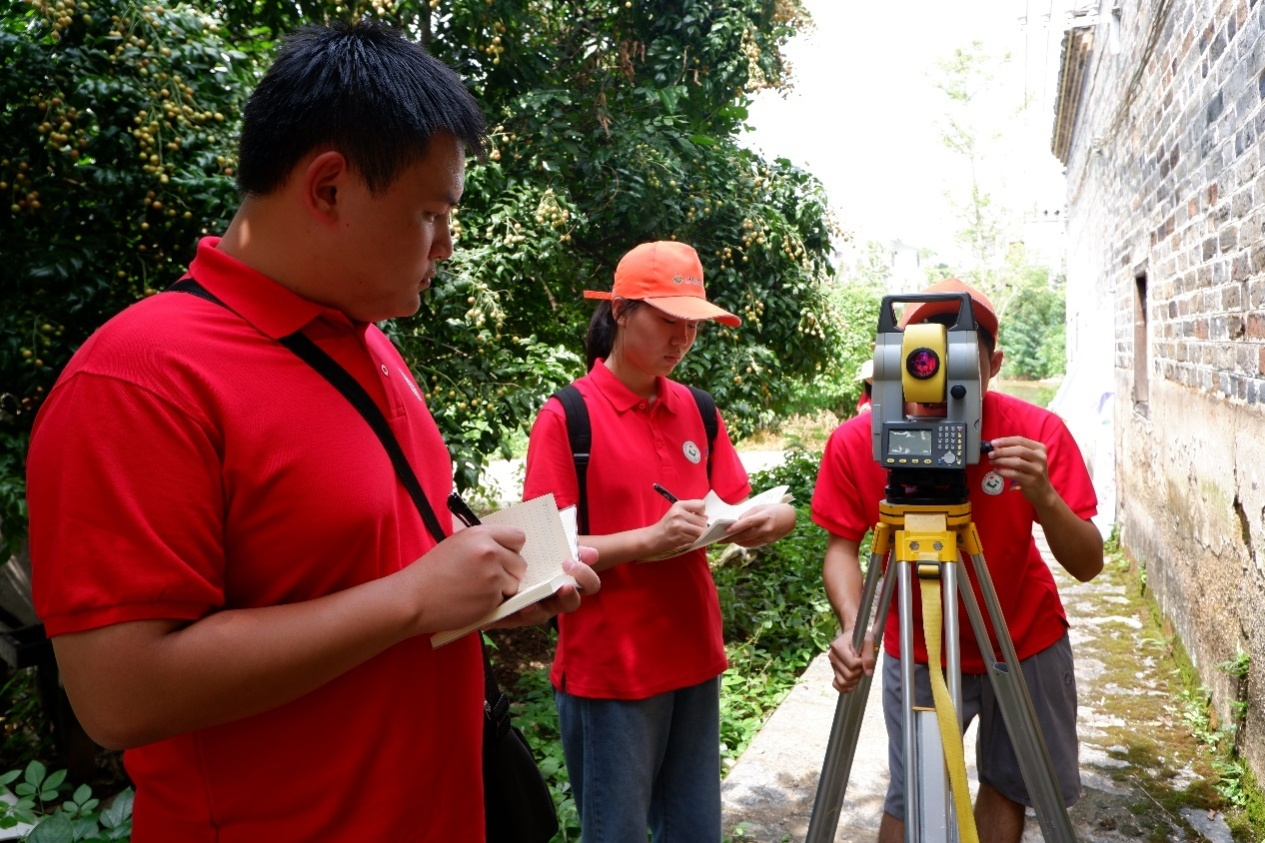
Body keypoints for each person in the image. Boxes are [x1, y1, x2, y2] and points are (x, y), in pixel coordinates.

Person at [25, 22, 599, 842]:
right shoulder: (142, 378)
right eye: (431, 212)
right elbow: (118, 695)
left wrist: (487, 581)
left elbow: (366, 564)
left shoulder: (365, 346)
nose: (446, 242)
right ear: (328, 187)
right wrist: (411, 598)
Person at [520, 240, 797, 842]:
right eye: (667, 321)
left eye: (692, 326)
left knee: (695, 830)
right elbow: (542, 556)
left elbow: (740, 503)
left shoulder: (697, 409)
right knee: (615, 832)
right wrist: (648, 540)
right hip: (611, 667)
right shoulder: (569, 417)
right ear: (620, 312)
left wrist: (769, 523)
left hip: (694, 653)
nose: (681, 341)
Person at [811, 278, 1103, 843]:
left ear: (993, 363)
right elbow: (842, 549)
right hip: (919, 646)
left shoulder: (1035, 433)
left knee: (1009, 786)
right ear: (905, 355)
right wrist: (855, 628)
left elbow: (1088, 563)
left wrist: (1044, 495)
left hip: (1022, 639)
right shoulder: (858, 441)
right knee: (912, 793)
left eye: (961, 354)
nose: (940, 371)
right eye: (928, 353)